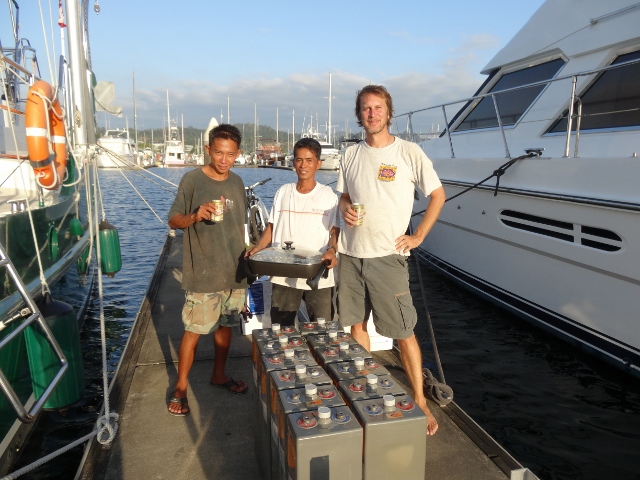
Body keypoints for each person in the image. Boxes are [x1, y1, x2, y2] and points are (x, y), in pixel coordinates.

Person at [337, 85, 446, 435]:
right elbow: (344, 196)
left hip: (388, 257)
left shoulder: (408, 152)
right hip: (351, 255)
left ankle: (420, 400)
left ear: (388, 112)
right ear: (359, 114)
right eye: (366, 108)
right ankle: (363, 391)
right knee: (357, 327)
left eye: (378, 107)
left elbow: (438, 195)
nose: (372, 114)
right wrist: (345, 208)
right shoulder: (350, 154)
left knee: (403, 332)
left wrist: (418, 236)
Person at [166, 124, 249, 416]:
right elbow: (173, 220)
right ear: (208, 150)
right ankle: (180, 388)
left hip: (234, 272)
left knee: (227, 326)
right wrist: (195, 215)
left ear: (238, 153)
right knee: (194, 330)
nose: (224, 159)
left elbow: (239, 227)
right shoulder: (192, 180)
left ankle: (219, 374)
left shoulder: (237, 182)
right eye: (218, 153)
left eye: (230, 154)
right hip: (203, 272)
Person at [246, 138, 339, 326]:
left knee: (322, 329)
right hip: (283, 273)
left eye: (309, 160)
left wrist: (332, 251)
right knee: (281, 328)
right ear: (293, 162)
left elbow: (334, 231)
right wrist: (258, 248)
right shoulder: (283, 192)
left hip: (317, 273)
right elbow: (272, 226)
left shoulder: (328, 195)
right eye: (299, 160)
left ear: (318, 164)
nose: (303, 165)